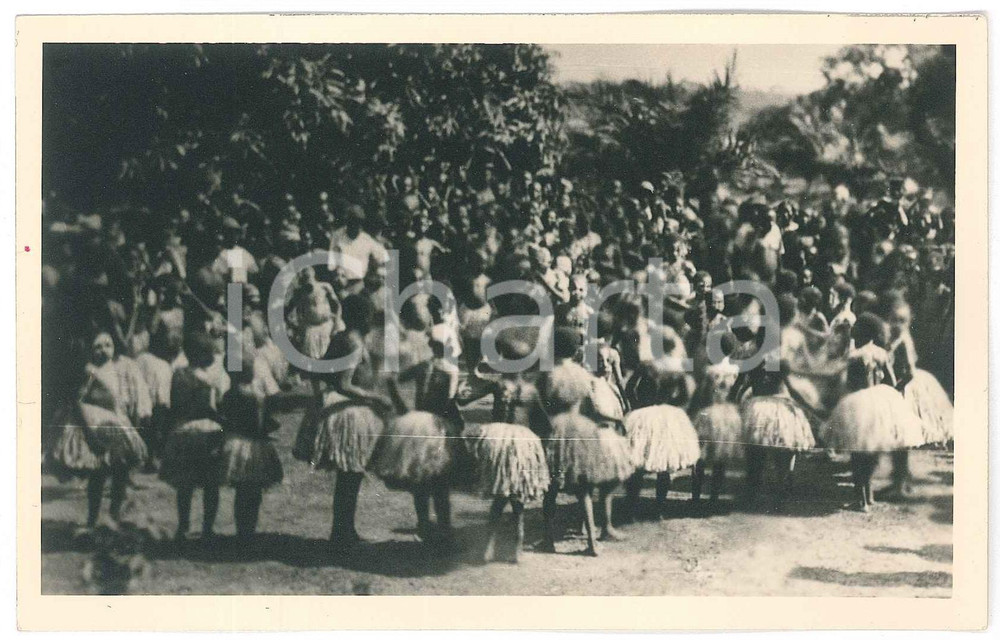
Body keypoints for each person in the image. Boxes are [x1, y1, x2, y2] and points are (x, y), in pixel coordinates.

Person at [293, 295, 389, 551]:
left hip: (341, 408)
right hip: (350, 412)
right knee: (351, 475)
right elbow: (345, 384)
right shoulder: (354, 342)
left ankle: (344, 529)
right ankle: (342, 531)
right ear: (365, 317)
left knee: (349, 476)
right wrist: (374, 397)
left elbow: (321, 369)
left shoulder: (340, 338)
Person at [535, 328, 634, 557]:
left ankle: (548, 539)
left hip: (557, 429)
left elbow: (541, 407)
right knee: (584, 488)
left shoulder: (548, 374)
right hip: (580, 428)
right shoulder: (581, 374)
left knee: (551, 488)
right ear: (575, 350)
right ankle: (592, 541)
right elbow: (590, 405)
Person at [459, 332, 551, 564]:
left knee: (500, 497)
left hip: (498, 442)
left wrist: (473, 377)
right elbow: (543, 421)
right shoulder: (530, 391)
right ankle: (516, 549)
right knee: (518, 500)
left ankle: (488, 547)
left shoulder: (498, 385)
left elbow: (464, 398)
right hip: (521, 446)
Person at [48, 331, 150, 530]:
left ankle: (114, 515)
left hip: (116, 425)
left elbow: (121, 399)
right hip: (95, 424)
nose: (104, 350)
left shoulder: (118, 368)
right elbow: (77, 402)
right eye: (98, 346)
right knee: (98, 473)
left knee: (120, 470)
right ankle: (93, 517)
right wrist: (88, 431)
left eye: (108, 345)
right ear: (90, 350)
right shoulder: (88, 371)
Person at [376, 334, 464, 547]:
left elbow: (393, 379)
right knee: (440, 481)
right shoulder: (450, 370)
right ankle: (444, 529)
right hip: (437, 424)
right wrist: (457, 419)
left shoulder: (422, 366)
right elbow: (450, 401)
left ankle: (424, 525)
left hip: (416, 424)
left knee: (420, 478)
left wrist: (402, 409)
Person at [821, 344, 924, 511]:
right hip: (880, 398)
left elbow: (850, 384)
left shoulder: (855, 356)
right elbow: (891, 381)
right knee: (870, 452)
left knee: (858, 453)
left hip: (860, 403)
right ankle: (869, 497)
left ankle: (861, 501)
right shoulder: (880, 354)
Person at [159, 332, 229, 542]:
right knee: (198, 483)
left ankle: (193, 526)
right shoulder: (188, 375)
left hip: (191, 429)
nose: (212, 356)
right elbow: (209, 406)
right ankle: (196, 527)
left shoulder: (185, 374)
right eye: (207, 352)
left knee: (197, 483)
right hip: (199, 429)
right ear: (194, 354)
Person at [621, 359, 701, 520]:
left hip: (645, 413)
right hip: (666, 415)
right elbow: (685, 393)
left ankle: (632, 507)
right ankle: (659, 509)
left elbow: (630, 388)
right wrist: (672, 404)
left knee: (638, 461)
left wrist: (638, 405)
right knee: (664, 462)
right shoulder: (676, 366)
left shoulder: (647, 365)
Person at [218, 360, 283, 541]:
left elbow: (225, 420)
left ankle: (242, 531)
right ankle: (248, 531)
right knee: (253, 491)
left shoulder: (229, 394)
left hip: (236, 444)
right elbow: (260, 422)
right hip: (253, 444)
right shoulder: (254, 396)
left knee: (242, 490)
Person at [690, 357, 743, 503]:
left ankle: (695, 496)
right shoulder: (735, 370)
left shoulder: (709, 370)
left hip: (709, 413)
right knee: (720, 458)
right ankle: (714, 497)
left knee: (700, 456)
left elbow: (701, 393)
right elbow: (737, 394)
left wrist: (692, 411)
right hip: (728, 415)